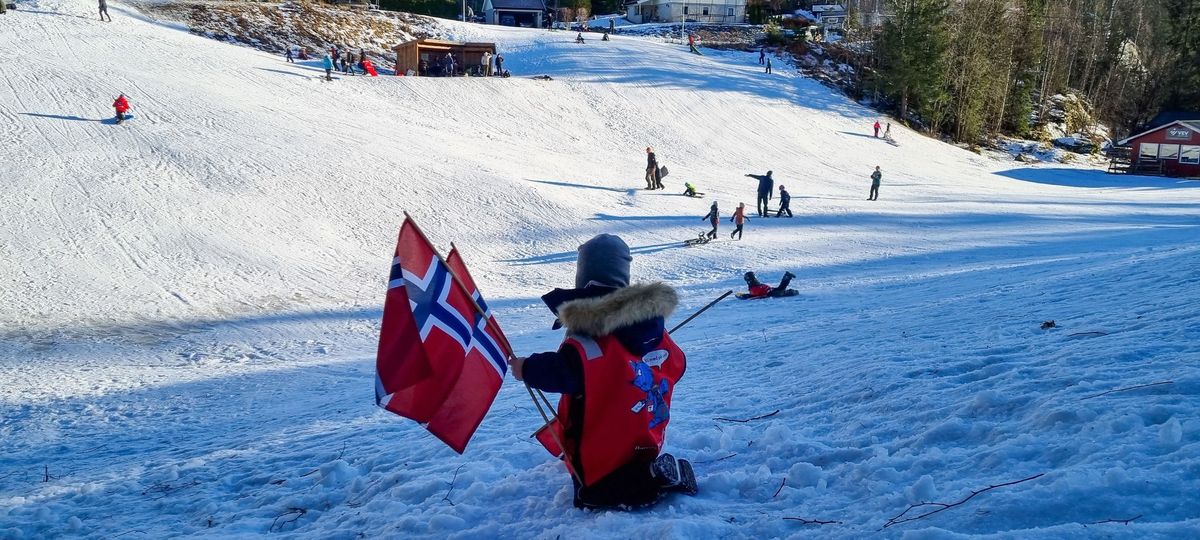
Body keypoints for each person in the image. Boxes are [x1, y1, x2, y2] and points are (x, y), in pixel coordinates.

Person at [511, 234, 697, 509]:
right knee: (628, 462)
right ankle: (649, 467)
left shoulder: (589, 336)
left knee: (592, 493)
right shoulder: (648, 327)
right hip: (643, 434)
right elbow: (677, 364)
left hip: (603, 444)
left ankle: (652, 478)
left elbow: (565, 373)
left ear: (584, 278)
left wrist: (526, 367)